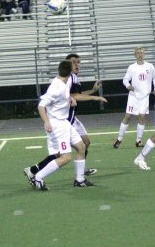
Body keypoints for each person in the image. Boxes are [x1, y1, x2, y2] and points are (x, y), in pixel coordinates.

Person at [24, 53, 107, 182]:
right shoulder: (65, 81)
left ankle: (80, 175)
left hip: (71, 119)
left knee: (84, 143)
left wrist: (91, 91)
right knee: (62, 155)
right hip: (63, 120)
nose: (77, 64)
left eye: (79, 62)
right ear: (68, 66)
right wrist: (95, 97)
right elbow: (73, 95)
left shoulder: (70, 79)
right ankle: (35, 172)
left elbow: (74, 94)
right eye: (74, 62)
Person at [113, 47, 155, 149]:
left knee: (142, 117)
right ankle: (119, 139)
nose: (140, 54)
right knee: (128, 116)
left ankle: (138, 140)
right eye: (138, 53)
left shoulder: (150, 66)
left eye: (141, 52)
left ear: (144, 54)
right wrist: (128, 86)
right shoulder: (131, 67)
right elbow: (125, 79)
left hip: (145, 97)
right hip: (133, 96)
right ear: (135, 55)